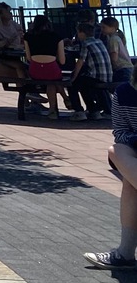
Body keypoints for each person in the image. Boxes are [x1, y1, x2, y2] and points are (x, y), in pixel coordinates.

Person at [83, 68, 137, 268]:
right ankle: (124, 255)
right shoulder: (123, 93)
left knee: (131, 183)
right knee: (116, 149)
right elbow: (120, 132)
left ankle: (125, 254)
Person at [24, 14, 68, 119]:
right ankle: (61, 102)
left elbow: (29, 58)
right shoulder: (56, 37)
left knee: (51, 83)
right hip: (51, 69)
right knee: (52, 82)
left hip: (35, 69)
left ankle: (58, 105)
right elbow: (62, 61)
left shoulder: (27, 36)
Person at [71, 21, 114, 120]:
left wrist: (73, 77)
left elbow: (80, 62)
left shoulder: (85, 43)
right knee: (84, 85)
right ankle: (93, 110)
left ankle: (79, 111)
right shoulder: (99, 41)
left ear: (82, 33)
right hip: (107, 75)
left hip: (96, 76)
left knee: (73, 85)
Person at [103, 16, 134, 86]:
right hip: (127, 68)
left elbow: (114, 58)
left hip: (122, 69)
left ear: (112, 28)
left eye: (104, 27)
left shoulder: (113, 40)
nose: (102, 30)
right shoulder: (117, 38)